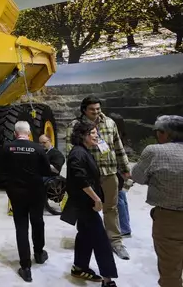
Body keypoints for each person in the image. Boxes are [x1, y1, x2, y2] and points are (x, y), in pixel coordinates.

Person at [65, 96, 131, 260]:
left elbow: (118, 146)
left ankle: (115, 242)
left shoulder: (109, 123)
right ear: (84, 110)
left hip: (109, 173)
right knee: (87, 210)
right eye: (92, 109)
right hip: (89, 177)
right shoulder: (75, 126)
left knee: (111, 208)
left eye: (98, 108)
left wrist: (125, 168)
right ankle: (88, 240)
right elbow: (70, 151)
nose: (96, 112)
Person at [63, 121, 119, 287]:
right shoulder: (78, 153)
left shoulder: (83, 151)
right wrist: (96, 199)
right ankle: (108, 279)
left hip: (84, 204)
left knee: (85, 235)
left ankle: (79, 267)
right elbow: (81, 179)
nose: (97, 136)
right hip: (85, 204)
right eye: (93, 133)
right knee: (101, 240)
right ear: (83, 135)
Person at [131, 115, 183, 287]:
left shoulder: (154, 151)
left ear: (166, 133)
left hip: (169, 219)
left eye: (157, 132)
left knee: (170, 271)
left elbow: (137, 177)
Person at [0, 121, 53, 282]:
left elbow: (1, 171)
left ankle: (25, 267)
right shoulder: (38, 148)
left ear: (15, 133)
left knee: (21, 227)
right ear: (29, 133)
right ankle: (39, 253)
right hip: (36, 192)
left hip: (16, 193)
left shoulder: (7, 148)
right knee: (38, 222)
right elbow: (46, 171)